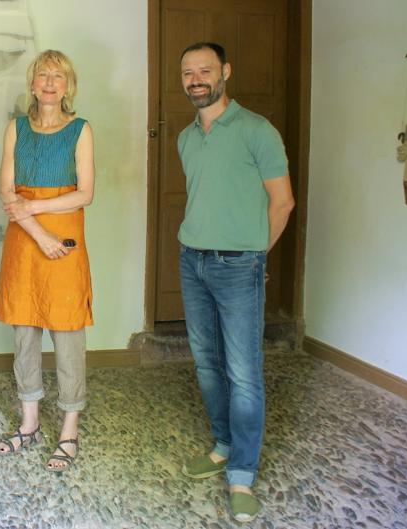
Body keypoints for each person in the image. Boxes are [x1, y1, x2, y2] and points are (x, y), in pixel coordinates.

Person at [175, 42, 295, 523]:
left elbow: (282, 202)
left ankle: (242, 473)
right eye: (187, 72)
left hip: (237, 266)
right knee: (206, 363)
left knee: (244, 372)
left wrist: (251, 255)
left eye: (205, 70)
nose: (196, 79)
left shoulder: (257, 131)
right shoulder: (185, 137)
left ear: (226, 71)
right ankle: (223, 445)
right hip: (191, 262)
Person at [0, 50, 95, 473]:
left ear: (68, 86)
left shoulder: (80, 130)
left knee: (68, 332)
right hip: (26, 241)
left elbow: (85, 193)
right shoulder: (16, 129)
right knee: (25, 332)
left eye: (59, 76)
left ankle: (69, 428)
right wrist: (37, 230)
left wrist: (34, 212)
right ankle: (29, 422)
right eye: (43, 75)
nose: (50, 82)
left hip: (65, 241)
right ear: (32, 84)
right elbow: (7, 190)